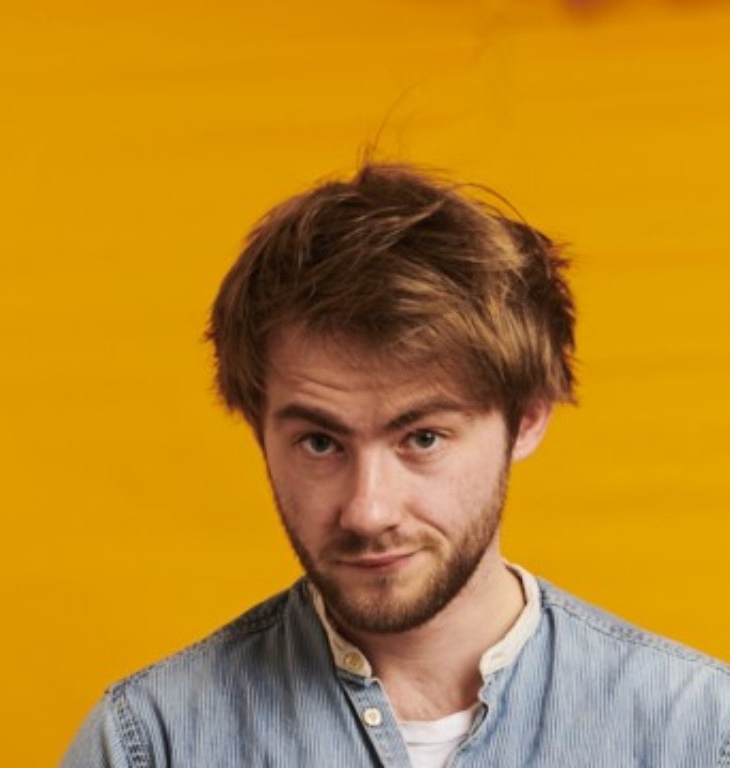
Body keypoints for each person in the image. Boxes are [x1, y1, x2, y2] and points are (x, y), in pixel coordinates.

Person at [62, 162, 730, 767]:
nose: (368, 511)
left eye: (423, 438)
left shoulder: (699, 734)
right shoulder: (150, 744)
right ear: (257, 429)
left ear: (526, 418)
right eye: (320, 443)